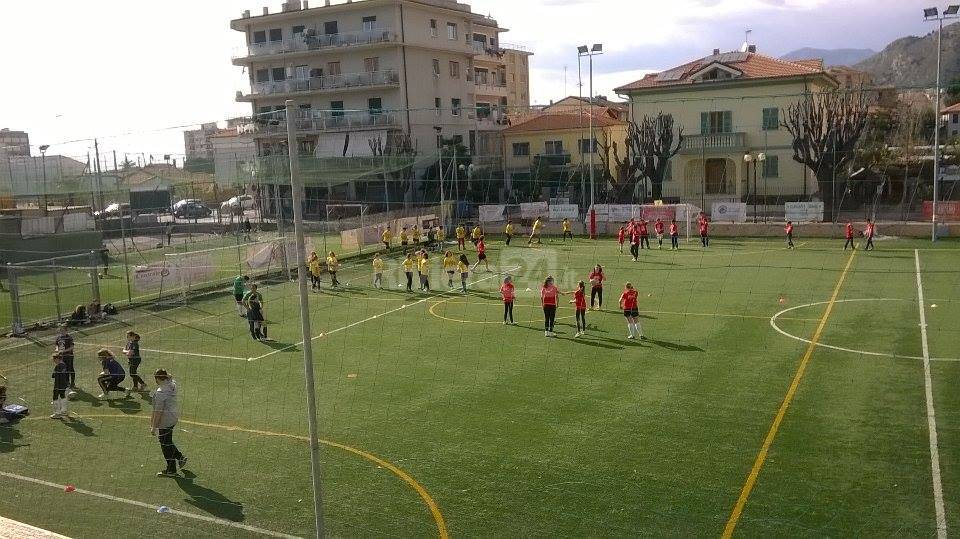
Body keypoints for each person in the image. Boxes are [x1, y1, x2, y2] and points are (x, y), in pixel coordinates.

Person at [151, 369, 187, 478]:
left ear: (157, 379)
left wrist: (153, 427)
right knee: (168, 441)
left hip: (165, 421)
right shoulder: (172, 384)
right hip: (173, 417)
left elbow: (158, 412)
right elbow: (171, 377)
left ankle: (171, 469)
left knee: (165, 444)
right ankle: (180, 457)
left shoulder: (161, 392)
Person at [55, 324, 77, 389]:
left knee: (70, 369)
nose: (61, 331)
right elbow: (56, 345)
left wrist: (64, 351)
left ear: (66, 331)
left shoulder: (69, 338)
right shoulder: (58, 338)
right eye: (60, 330)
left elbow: (72, 347)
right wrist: (57, 349)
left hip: (69, 356)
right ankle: (67, 383)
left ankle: (73, 383)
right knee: (64, 369)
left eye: (63, 330)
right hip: (62, 357)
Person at [50, 353, 70, 419]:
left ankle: (57, 413)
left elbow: (53, 375)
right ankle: (64, 411)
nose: (54, 361)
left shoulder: (58, 366)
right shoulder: (64, 365)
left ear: (57, 359)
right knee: (62, 396)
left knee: (55, 397)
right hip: (64, 384)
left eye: (54, 360)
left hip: (58, 384)